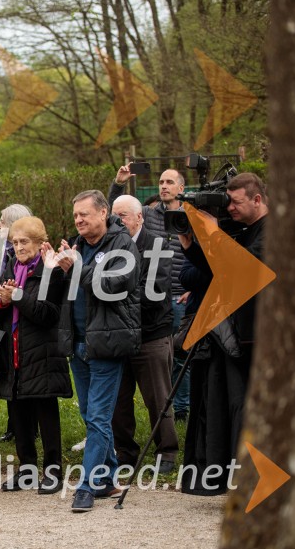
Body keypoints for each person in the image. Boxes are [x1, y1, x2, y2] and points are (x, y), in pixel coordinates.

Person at [50, 190, 140, 512]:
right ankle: (108, 477)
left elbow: (114, 284)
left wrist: (76, 268)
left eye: (84, 215)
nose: (78, 220)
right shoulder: (77, 247)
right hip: (78, 343)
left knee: (100, 417)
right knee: (90, 414)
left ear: (103, 213)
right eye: (75, 216)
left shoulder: (122, 244)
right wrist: (59, 267)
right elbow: (67, 290)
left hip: (107, 343)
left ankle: (86, 487)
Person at [179, 172, 268, 495]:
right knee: (234, 411)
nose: (229, 208)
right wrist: (192, 245)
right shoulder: (245, 230)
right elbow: (222, 269)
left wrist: (214, 234)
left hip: (263, 339)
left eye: (236, 202)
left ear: (257, 200)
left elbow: (249, 268)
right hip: (240, 339)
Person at [0, 217, 71, 494]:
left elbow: (49, 315)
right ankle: (27, 470)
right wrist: (1, 300)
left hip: (42, 351)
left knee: (45, 412)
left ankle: (54, 471)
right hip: (12, 352)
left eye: (24, 242)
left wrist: (18, 297)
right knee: (18, 413)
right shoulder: (9, 268)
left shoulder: (51, 271)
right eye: (14, 242)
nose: (19, 247)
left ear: (39, 243)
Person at [109, 167, 191, 420]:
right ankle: (173, 409)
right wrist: (118, 185)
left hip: (180, 294)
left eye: (169, 182)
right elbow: (115, 213)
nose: (163, 186)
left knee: (180, 355)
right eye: (160, 182)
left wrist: (193, 287)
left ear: (181, 188)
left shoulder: (190, 216)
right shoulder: (147, 213)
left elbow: (201, 251)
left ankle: (182, 407)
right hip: (153, 295)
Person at [110, 196, 178, 474]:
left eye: (123, 216)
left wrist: (115, 300)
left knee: (158, 397)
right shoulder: (111, 245)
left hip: (151, 334)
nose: (117, 221)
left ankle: (167, 451)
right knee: (119, 400)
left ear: (139, 217)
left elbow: (155, 293)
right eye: (113, 216)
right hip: (119, 336)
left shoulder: (157, 245)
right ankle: (125, 451)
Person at [0, 204, 33, 443]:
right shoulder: (3, 252)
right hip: (7, 317)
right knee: (10, 375)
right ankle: (14, 426)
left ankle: (28, 427)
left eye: (2, 222)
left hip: (27, 323)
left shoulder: (28, 255)